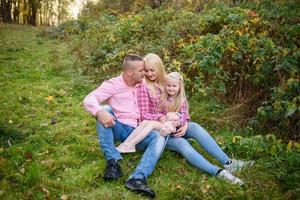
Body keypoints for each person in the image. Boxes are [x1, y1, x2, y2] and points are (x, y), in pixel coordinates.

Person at [138, 53, 254, 185]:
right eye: (146, 70)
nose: (149, 74)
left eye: (152, 70)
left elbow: (182, 105)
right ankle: (218, 172)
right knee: (182, 143)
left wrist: (185, 123)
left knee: (195, 126)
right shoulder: (144, 87)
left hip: (174, 124)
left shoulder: (168, 81)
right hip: (158, 131)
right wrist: (162, 118)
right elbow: (143, 115)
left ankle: (228, 162)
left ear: (159, 68)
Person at [83, 54, 165, 198]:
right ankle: (113, 163)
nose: (145, 73)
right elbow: (90, 98)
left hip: (139, 130)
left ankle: (137, 178)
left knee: (158, 137)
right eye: (141, 70)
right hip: (119, 127)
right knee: (105, 111)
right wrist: (99, 111)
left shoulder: (143, 84)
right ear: (129, 72)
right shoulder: (113, 85)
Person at [116, 72, 187, 153]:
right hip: (164, 123)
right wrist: (161, 117)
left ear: (179, 87)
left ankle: (131, 144)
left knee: (151, 124)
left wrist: (179, 123)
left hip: (172, 127)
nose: (171, 88)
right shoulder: (164, 97)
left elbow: (185, 116)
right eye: (168, 86)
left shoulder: (182, 100)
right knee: (145, 122)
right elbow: (161, 112)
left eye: (174, 86)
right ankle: (126, 144)